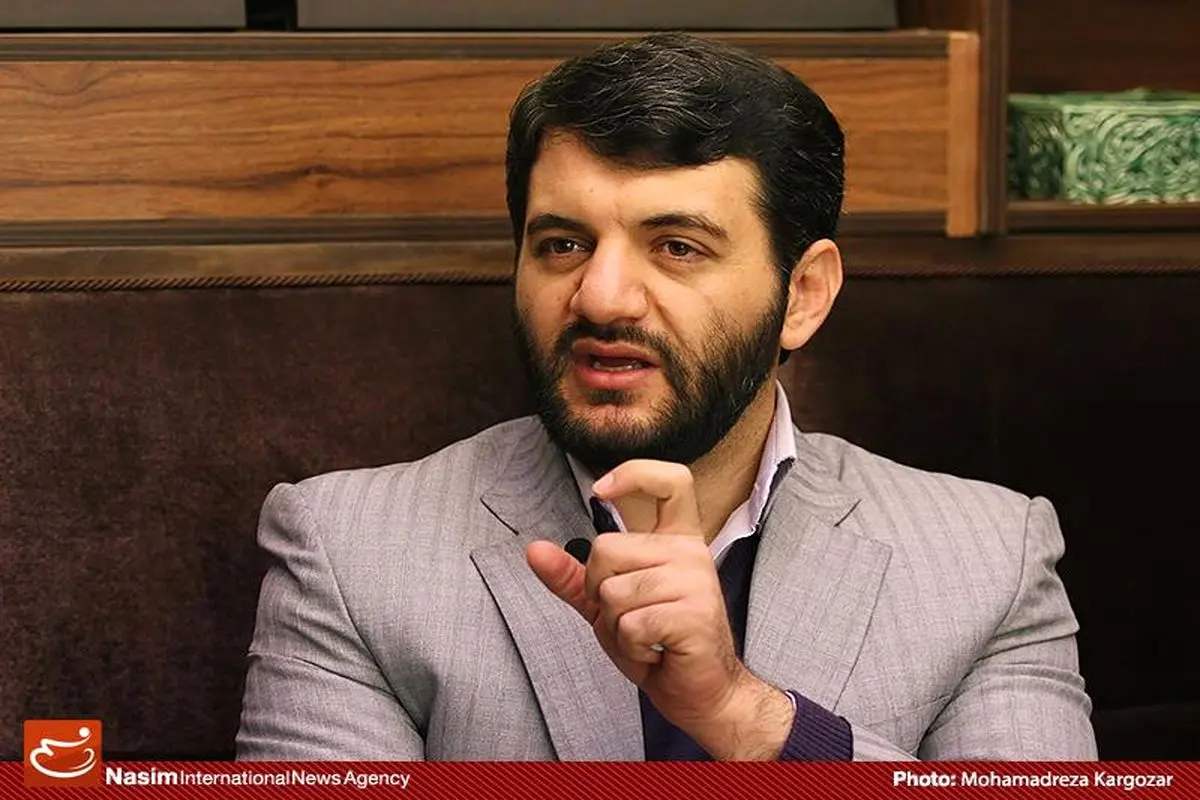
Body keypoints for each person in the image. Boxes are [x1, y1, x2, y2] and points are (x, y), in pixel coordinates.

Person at [236, 32, 1096, 761]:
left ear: (802, 295)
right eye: (563, 243)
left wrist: (741, 714)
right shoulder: (350, 554)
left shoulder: (987, 562)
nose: (602, 297)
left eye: (678, 246)